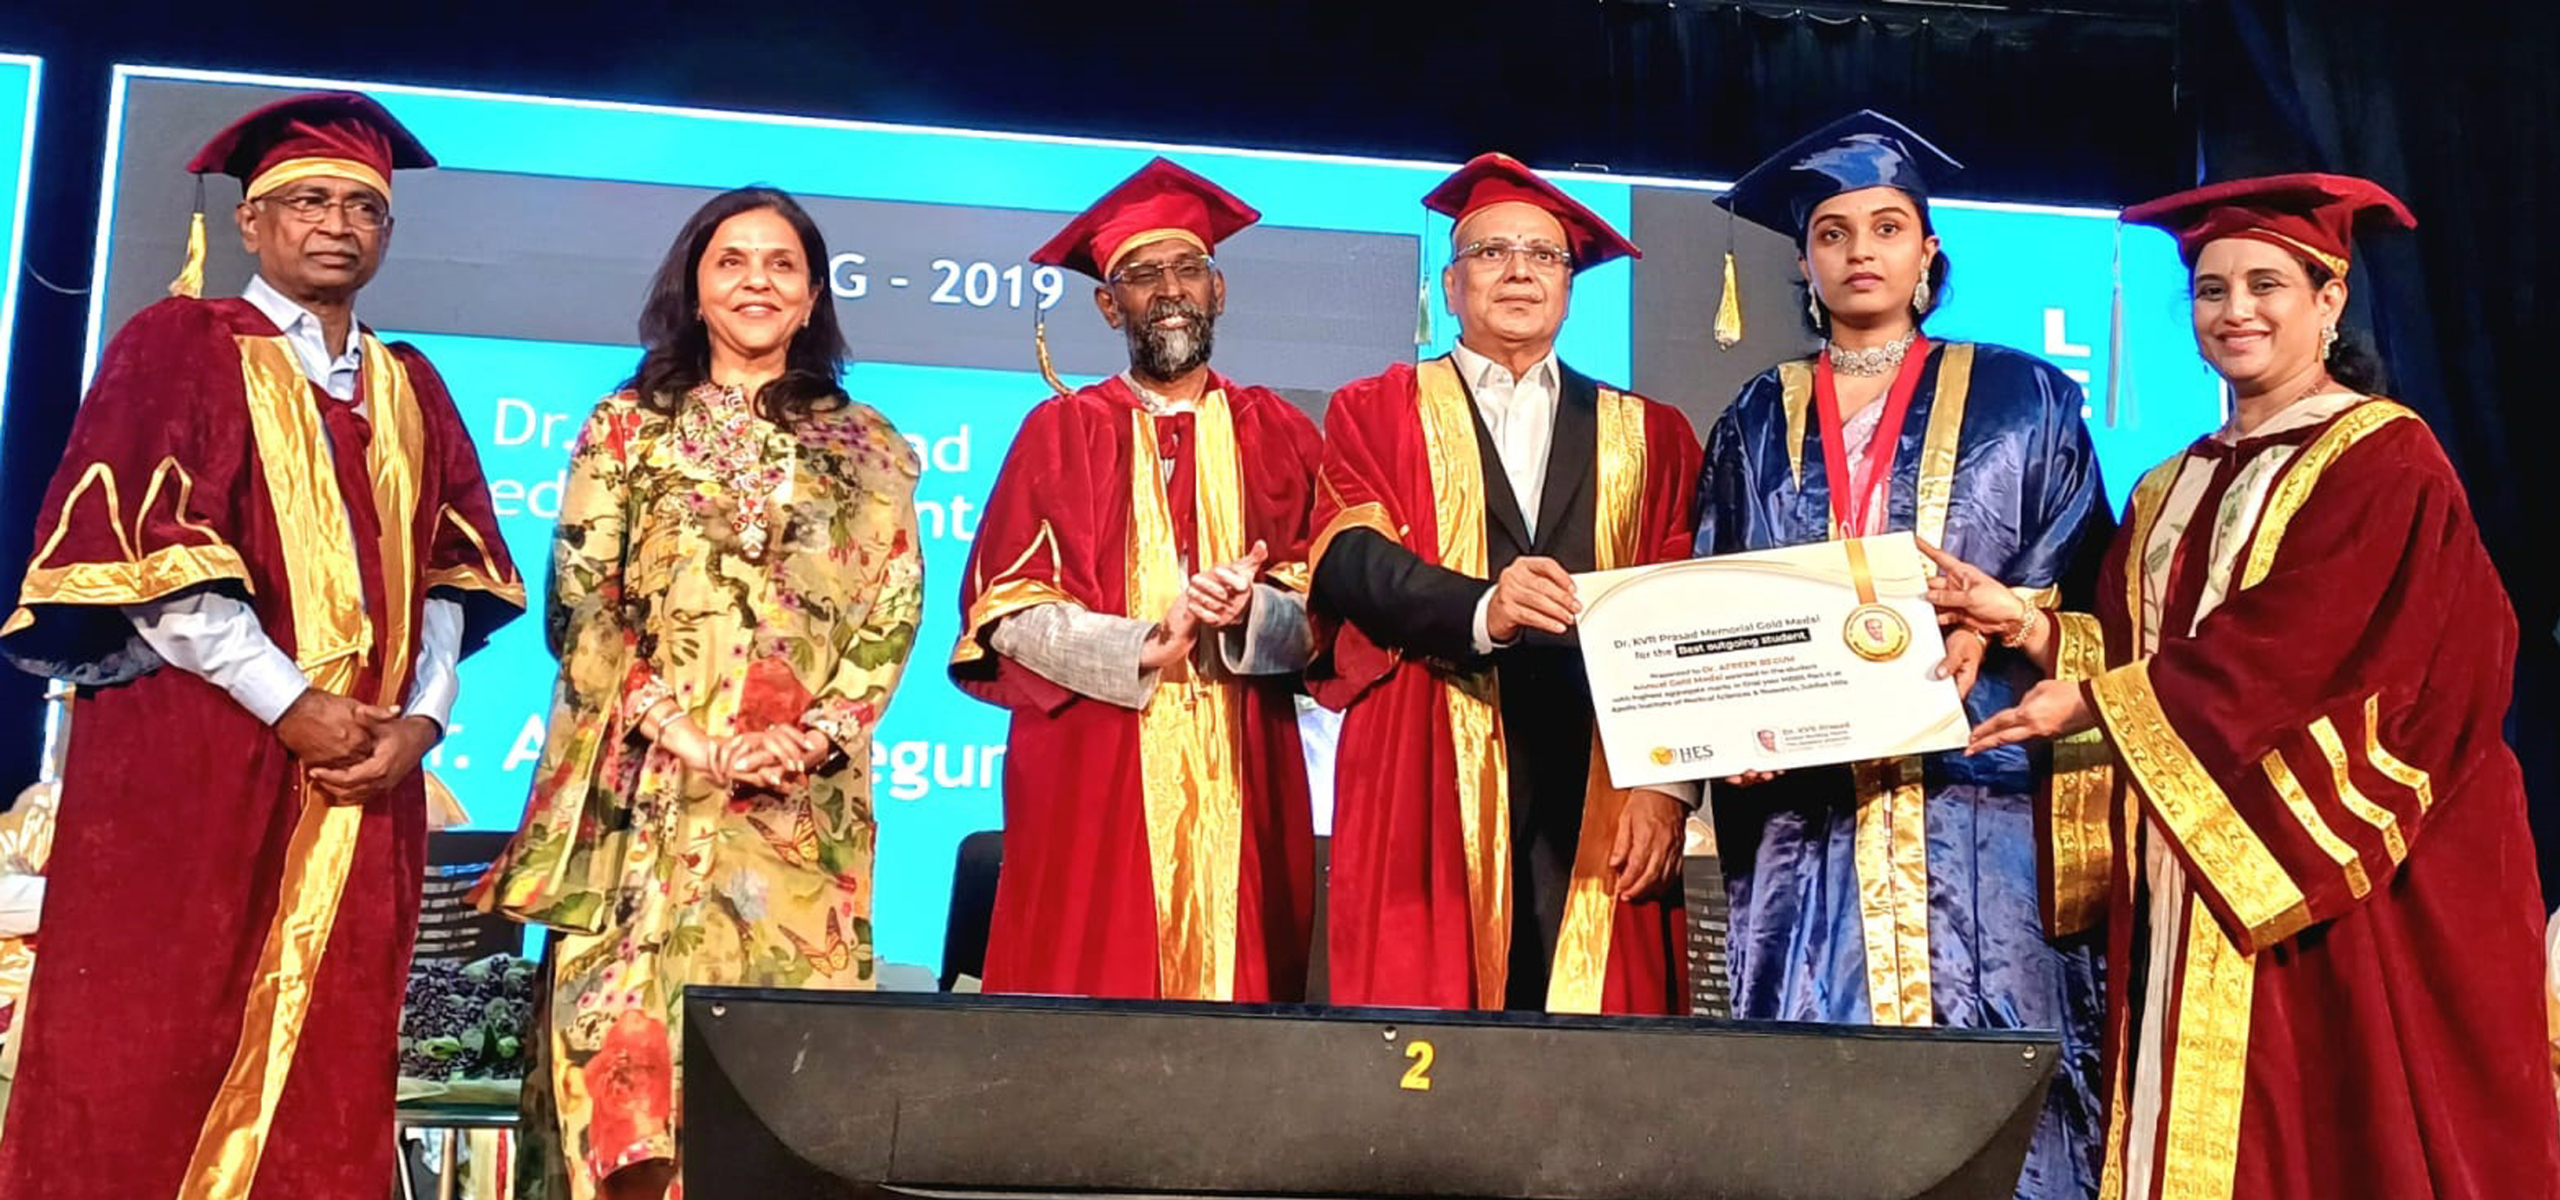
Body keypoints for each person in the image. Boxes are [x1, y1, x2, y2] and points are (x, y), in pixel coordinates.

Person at [1925, 173, 2560, 1200]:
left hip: (2339, 876)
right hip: (2198, 865)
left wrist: (2095, 703)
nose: (2236, 312)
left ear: (2329, 299)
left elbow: (2304, 645)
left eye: (2266, 284)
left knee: (2329, 1123)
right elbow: (2160, 649)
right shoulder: (2168, 482)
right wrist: (2038, 630)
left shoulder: (2385, 460)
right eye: (2211, 290)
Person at [0, 92, 524, 1197]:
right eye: (306, 201)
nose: (336, 224)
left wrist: (421, 724)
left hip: (363, 779)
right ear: (249, 224)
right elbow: (156, 562)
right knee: (154, 1043)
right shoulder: (179, 345)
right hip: (197, 769)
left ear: (387, 232)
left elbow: (449, 575)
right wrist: (293, 703)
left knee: (333, 1059)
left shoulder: (410, 383)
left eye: (361, 207)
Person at [472, 186, 924, 1200]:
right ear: (694, 287)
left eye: (780, 264)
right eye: (732, 261)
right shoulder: (627, 426)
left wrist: (808, 739)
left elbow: (892, 612)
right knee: (620, 1085)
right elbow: (580, 605)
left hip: (800, 816)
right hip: (642, 802)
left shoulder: (873, 446)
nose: (756, 280)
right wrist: (685, 734)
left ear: (811, 298)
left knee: (778, 1095)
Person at [1692, 110, 2110, 1199]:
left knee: (2003, 1074)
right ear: (1803, 260)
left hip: (1977, 800)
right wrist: (1720, 727)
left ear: (1928, 251)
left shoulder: (2028, 399)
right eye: (1832, 232)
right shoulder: (1752, 417)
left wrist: (2000, 615)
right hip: (1808, 816)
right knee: (1817, 1087)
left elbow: (2088, 588)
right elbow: (1713, 597)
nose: (1860, 250)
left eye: (1887, 226)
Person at [1310, 153, 1702, 1014]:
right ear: (1451, 285)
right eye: (1491, 253)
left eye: (1544, 254)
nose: (1519, 269)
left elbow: (1682, 619)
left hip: (1601, 767)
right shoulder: (1375, 409)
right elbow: (1347, 558)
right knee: (1428, 1032)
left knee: (1596, 1054)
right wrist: (1482, 606)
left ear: (1569, 284)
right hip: (1426, 753)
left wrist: (1668, 791)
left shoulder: (1651, 434)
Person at [952, 157, 1322, 1002]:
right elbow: (1002, 610)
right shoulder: (1059, 433)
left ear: (1219, 290)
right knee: (1087, 989)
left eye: (1189, 268)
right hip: (1094, 761)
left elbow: (1329, 605)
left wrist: (1252, 614)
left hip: (1244, 757)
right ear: (1106, 302)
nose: (1170, 290)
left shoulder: (1281, 433)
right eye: (1142, 275)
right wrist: (1139, 646)